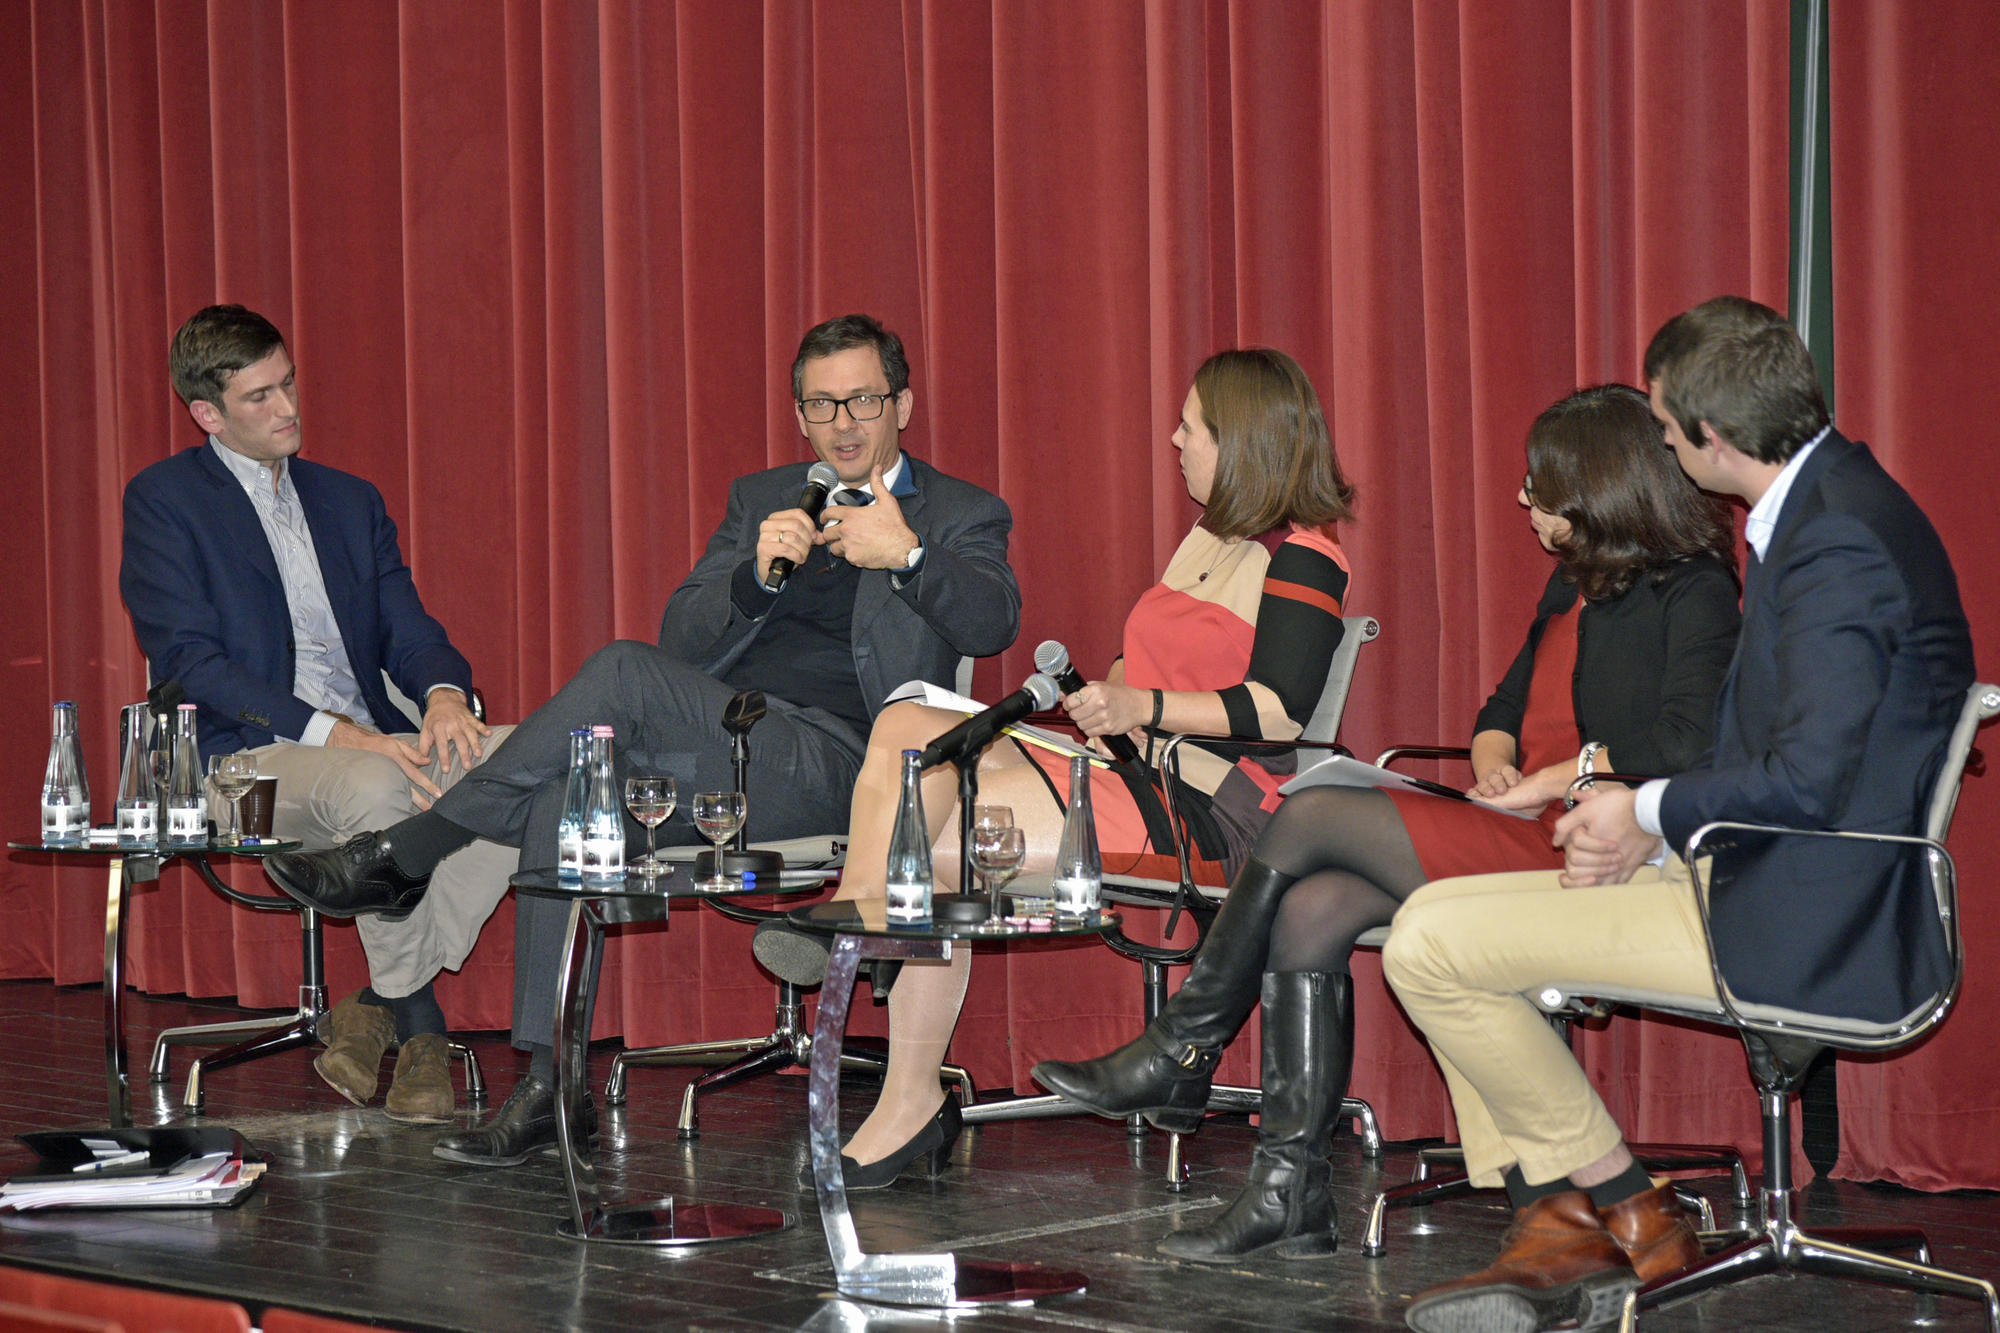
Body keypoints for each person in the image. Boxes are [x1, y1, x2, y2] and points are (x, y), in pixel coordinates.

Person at [267, 313, 1022, 1166]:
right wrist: (752, 579)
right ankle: (552, 1089)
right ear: (799, 415)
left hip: (845, 766)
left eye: (863, 400)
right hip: (724, 747)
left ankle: (413, 849)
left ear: (902, 406)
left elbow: (994, 620)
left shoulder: (959, 511)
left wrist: (908, 554)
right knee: (568, 798)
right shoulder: (763, 498)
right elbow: (682, 641)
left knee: (621, 669)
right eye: (822, 404)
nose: (843, 423)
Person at [1033, 383, 1741, 1262]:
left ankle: (1183, 1044)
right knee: (1313, 903)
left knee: (1314, 810)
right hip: (1524, 816)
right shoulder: (1573, 583)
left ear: (1599, 487)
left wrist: (1554, 777)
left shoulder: (1696, 587)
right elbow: (1502, 707)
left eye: (1539, 485)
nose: (1523, 499)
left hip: (1598, 840)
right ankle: (1290, 1194)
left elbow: (1685, 743)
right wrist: (1495, 761)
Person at [1381, 297, 1973, 1333]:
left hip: (1809, 914)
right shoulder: (1828, 505)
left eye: (1661, 427)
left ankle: (1612, 1209)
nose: (1657, 445)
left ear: (1709, 436)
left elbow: (1806, 781)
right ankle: (1585, 1214)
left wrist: (1644, 807)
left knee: (1428, 948)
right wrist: (1648, 830)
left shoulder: (1836, 539)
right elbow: (1781, 756)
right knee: (1433, 916)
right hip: (1761, 870)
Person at [752, 347, 1356, 1188]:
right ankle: (867, 924)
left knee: (929, 838)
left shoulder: (1305, 555)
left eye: (1191, 427)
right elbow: (1153, 664)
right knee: (909, 724)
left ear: (1242, 439)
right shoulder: (1209, 540)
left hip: (1206, 806)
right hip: (1130, 769)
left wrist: (1139, 704)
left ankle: (883, 1007)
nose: (1176, 441)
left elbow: (1280, 709)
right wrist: (1110, 696)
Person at [122, 304, 518, 1125]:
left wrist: (445, 694)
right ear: (207, 414)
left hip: (372, 735)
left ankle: (374, 1002)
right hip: (245, 759)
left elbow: (409, 628)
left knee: (534, 764)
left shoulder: (348, 499)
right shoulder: (165, 502)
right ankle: (422, 1028)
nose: (289, 408)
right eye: (261, 396)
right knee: (380, 785)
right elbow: (193, 662)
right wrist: (341, 734)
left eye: (289, 382)